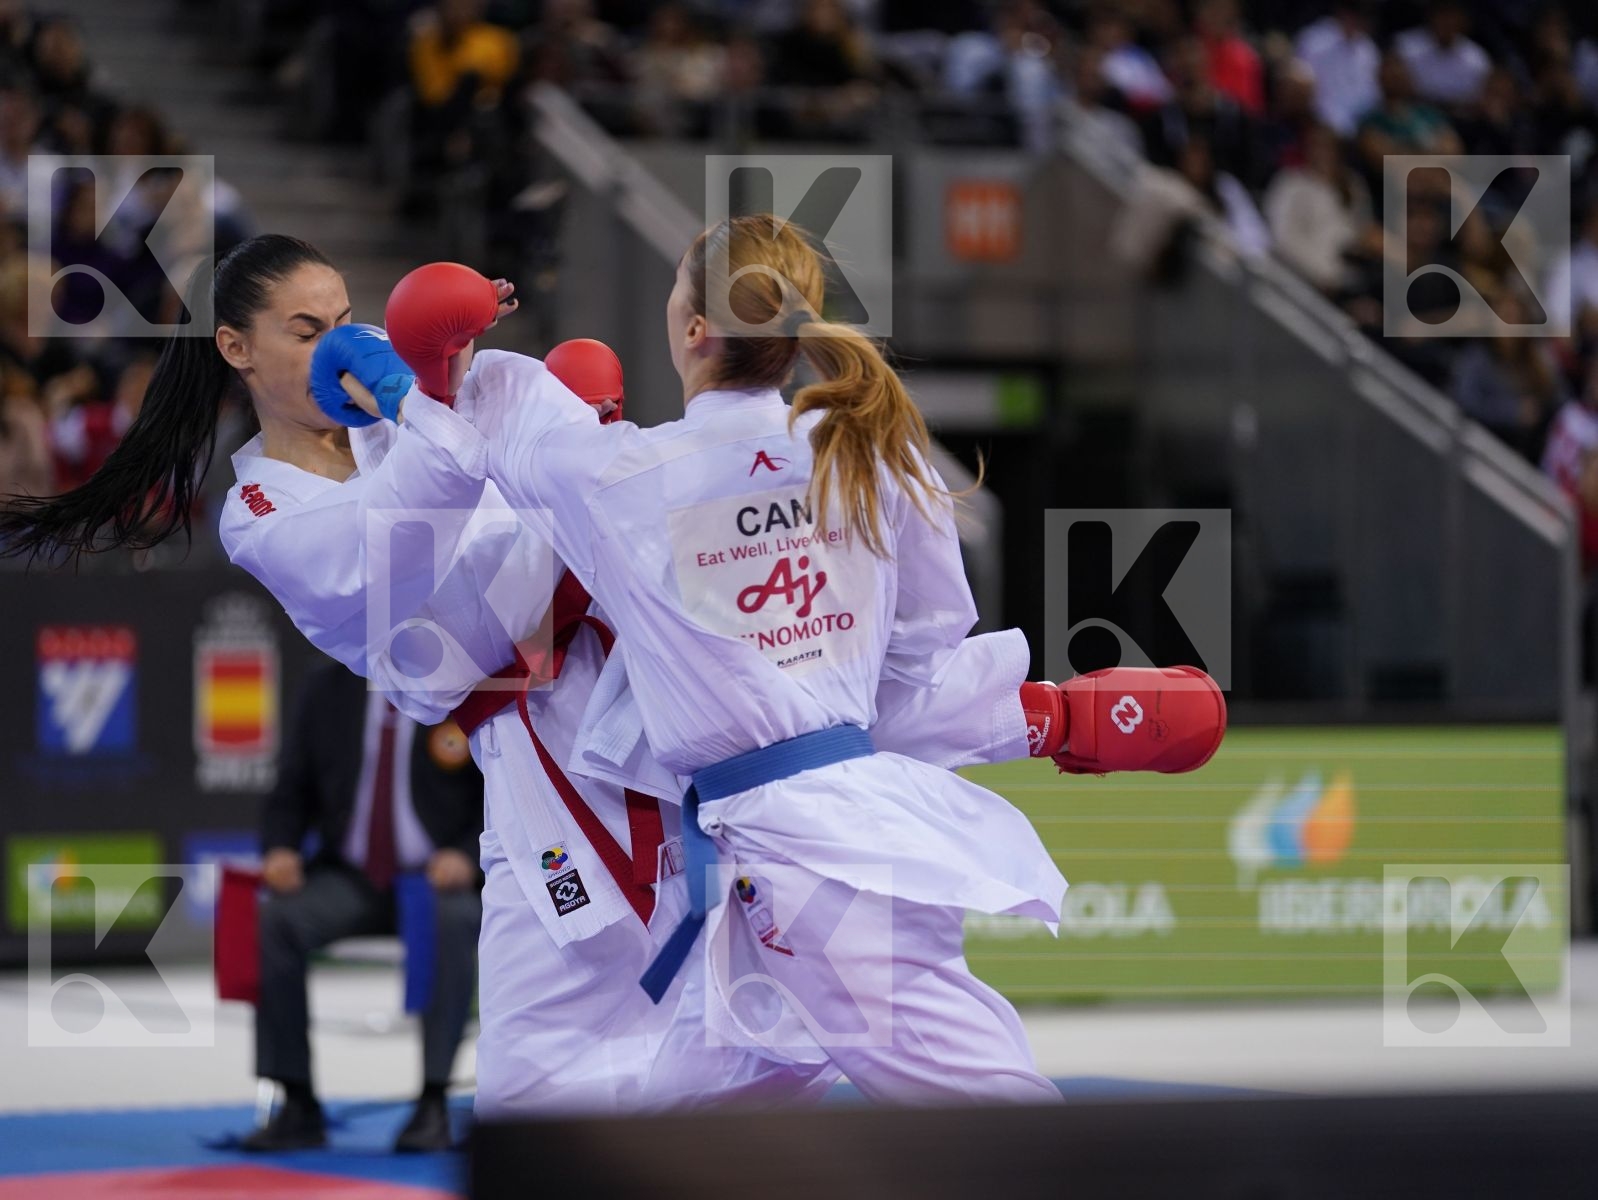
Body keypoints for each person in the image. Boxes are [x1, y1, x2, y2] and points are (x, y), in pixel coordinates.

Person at [368, 220, 1225, 1106]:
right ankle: (1052, 719)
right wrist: (831, 650)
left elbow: (518, 430)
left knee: (984, 1107)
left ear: (695, 329)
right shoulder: (866, 454)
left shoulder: (631, 479)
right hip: (791, 840)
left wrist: (441, 366)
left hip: (813, 858)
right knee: (707, 1106)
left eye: (675, 291)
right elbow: (928, 641)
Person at [247, 656, 484, 1153]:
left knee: (454, 919)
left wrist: (467, 855)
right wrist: (280, 848)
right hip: (353, 878)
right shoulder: (327, 686)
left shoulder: (459, 681)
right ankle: (296, 1102)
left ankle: (434, 1101)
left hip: (437, 882)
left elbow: (499, 789)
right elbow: (291, 788)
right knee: (278, 920)